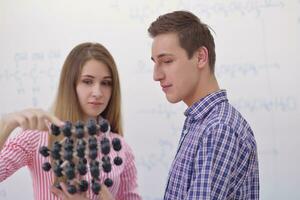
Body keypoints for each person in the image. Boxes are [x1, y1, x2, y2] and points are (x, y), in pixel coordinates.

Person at [0, 42, 141, 200]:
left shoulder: (120, 147)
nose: (98, 92)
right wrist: (5, 127)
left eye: (106, 83)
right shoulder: (37, 135)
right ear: (70, 85)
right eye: (87, 81)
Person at [147, 11, 259, 200]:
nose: (156, 75)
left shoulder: (218, 129)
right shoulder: (200, 123)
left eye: (166, 61)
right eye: (155, 63)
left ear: (200, 57)